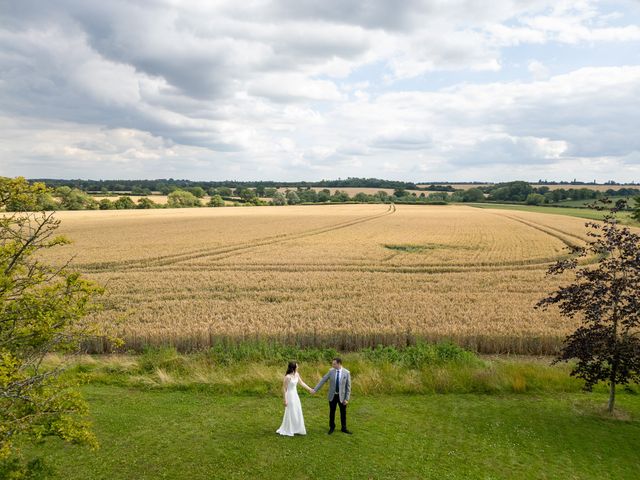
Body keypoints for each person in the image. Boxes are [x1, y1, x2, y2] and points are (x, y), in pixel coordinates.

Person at [313, 357, 352, 434]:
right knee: (332, 412)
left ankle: (344, 428)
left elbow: (348, 387)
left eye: (334, 364)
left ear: (339, 364)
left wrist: (346, 399)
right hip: (332, 396)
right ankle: (332, 427)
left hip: (342, 397)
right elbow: (323, 380)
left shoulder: (346, 373)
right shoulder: (331, 371)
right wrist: (315, 389)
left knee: (343, 413)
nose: (332, 365)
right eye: (332, 363)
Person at [276, 361, 314, 436]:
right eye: (297, 366)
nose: (298, 367)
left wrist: (310, 389)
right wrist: (285, 400)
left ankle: (297, 428)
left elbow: (302, 383)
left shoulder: (297, 374)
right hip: (289, 395)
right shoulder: (287, 377)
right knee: (291, 411)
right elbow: (284, 388)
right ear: (293, 368)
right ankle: (290, 428)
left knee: (297, 410)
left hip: (295, 395)